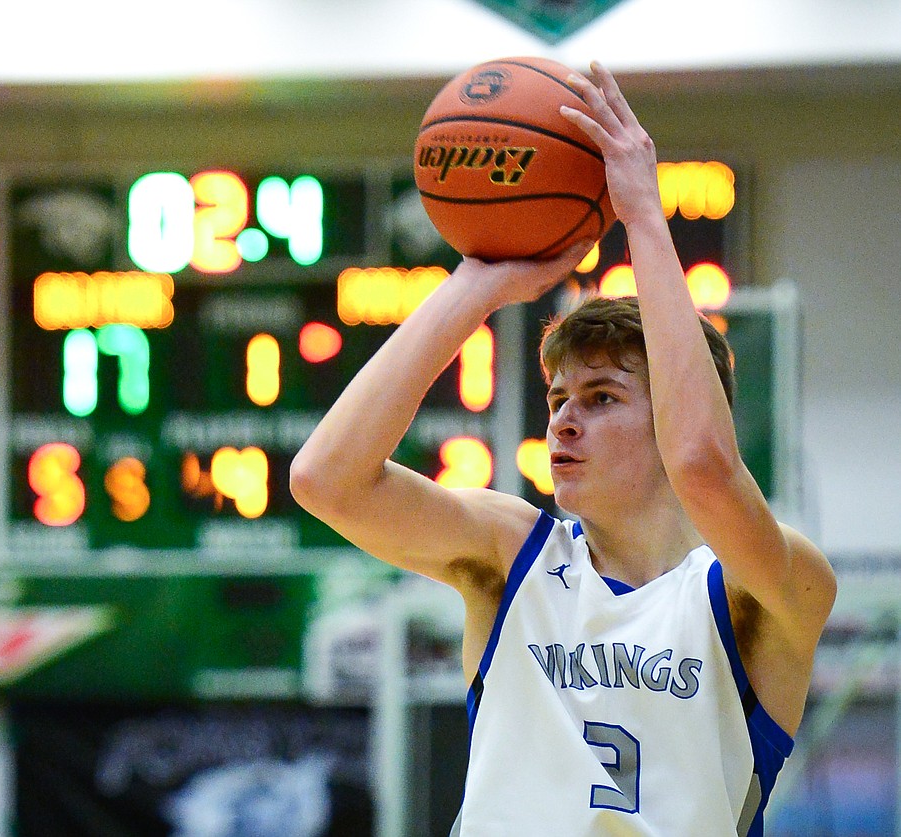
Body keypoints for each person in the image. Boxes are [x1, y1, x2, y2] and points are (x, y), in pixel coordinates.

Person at [289, 62, 836, 835]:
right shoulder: (514, 554)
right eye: (557, 400)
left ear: (678, 413)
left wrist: (645, 214)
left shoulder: (766, 586)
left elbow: (704, 467)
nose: (563, 423)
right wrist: (478, 283)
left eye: (603, 398)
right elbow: (324, 479)